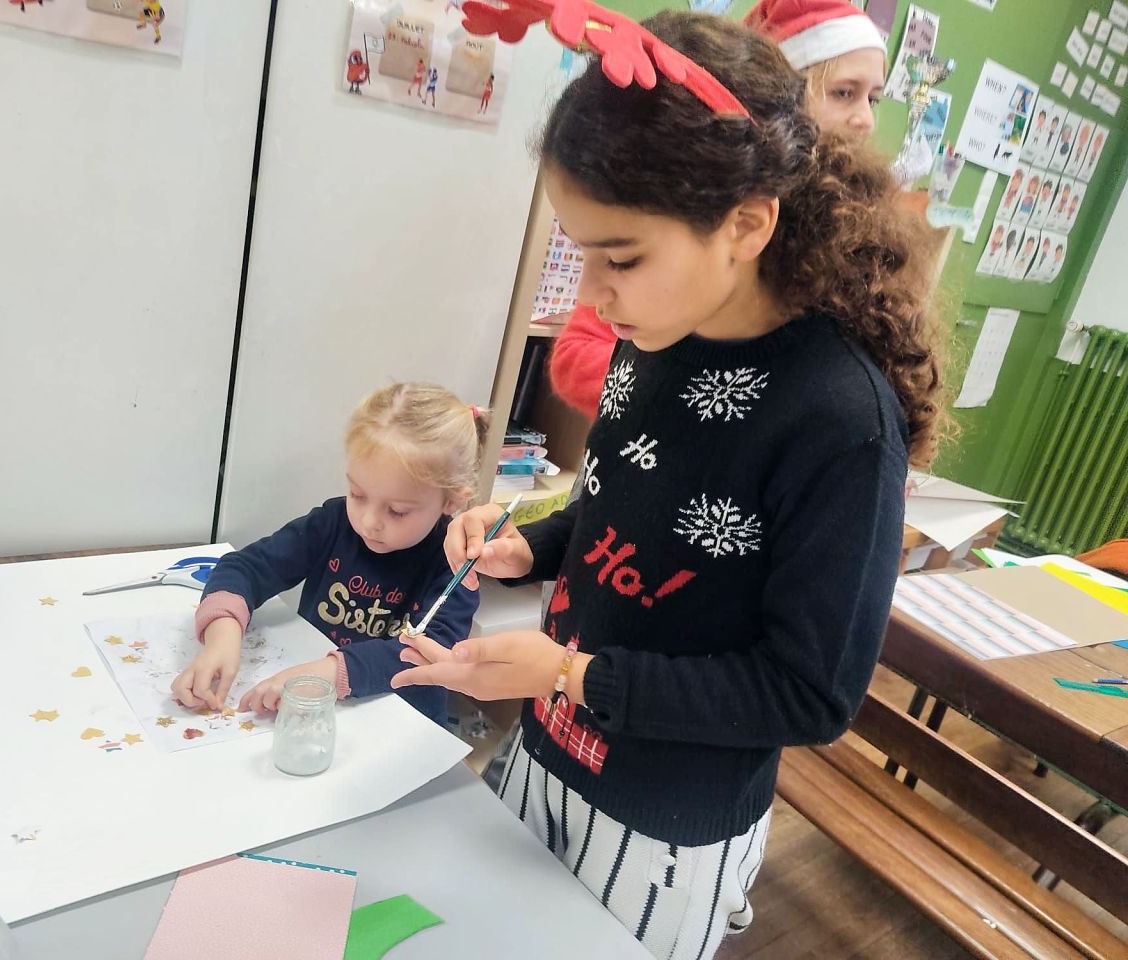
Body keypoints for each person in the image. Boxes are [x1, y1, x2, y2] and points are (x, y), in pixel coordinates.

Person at [394, 11, 945, 957]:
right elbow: (622, 499)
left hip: (662, 830)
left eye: (621, 258)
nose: (592, 294)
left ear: (746, 224)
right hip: (548, 747)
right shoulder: (653, 335)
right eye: (582, 252)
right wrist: (534, 544)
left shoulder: (839, 420)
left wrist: (569, 673)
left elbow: (810, 693)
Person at [551, 0, 889, 420]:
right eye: (843, 93)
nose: (865, 120)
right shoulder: (666, 232)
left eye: (873, 99)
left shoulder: (839, 391)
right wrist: (688, 387)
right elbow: (580, 350)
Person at [171, 383, 489, 724]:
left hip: (398, 726)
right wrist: (222, 636)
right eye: (358, 494)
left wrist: (328, 672)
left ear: (452, 501)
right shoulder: (333, 523)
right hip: (311, 713)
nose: (369, 522)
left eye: (397, 511)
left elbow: (433, 655)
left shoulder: (455, 564)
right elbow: (244, 568)